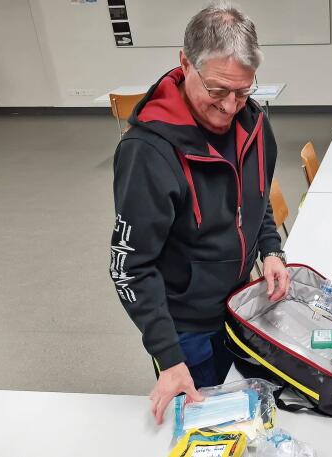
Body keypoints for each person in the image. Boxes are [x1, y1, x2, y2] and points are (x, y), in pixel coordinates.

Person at [109, 2, 290, 425]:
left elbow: (255, 201)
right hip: (183, 328)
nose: (230, 107)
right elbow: (130, 267)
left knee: (258, 414)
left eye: (243, 91)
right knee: (205, 427)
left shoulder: (256, 125)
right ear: (185, 62)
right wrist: (169, 358)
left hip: (240, 304)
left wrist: (270, 250)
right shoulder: (147, 153)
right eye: (217, 91)